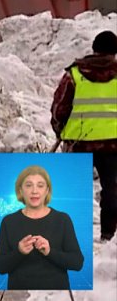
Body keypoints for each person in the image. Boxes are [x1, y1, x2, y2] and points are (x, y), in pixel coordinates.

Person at [51, 30, 117, 242]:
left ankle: (72, 236)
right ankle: (109, 234)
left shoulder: (75, 74)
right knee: (112, 188)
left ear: (94, 49)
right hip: (112, 145)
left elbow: (60, 107)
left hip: (78, 143)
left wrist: (60, 129)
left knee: (73, 188)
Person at [0, 165, 84, 290]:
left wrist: (49, 252)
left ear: (47, 190)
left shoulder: (62, 220)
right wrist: (19, 252)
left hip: (56, 296)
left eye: (40, 186)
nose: (34, 191)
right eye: (29, 185)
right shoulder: (8, 222)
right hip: (19, 294)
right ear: (20, 190)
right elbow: (0, 267)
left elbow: (77, 262)